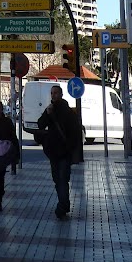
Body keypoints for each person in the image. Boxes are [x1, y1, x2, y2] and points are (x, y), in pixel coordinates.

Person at [36, 84, 81, 219]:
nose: (53, 95)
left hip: (64, 152)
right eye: (52, 93)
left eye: (56, 93)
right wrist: (47, 113)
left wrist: (71, 148)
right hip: (53, 151)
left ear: (61, 95)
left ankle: (62, 205)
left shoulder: (67, 111)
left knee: (62, 178)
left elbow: (75, 132)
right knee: (57, 179)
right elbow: (40, 124)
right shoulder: (50, 109)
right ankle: (64, 203)